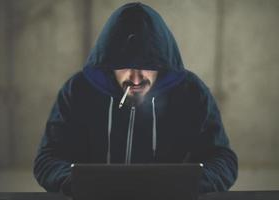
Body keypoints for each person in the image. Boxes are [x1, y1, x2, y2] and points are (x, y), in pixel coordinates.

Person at [33, 2, 238, 196]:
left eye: (148, 64)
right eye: (124, 65)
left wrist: (189, 186)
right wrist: (79, 184)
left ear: (162, 62)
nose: (136, 78)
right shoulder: (77, 91)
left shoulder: (192, 93)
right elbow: (47, 159)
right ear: (108, 62)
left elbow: (223, 160)